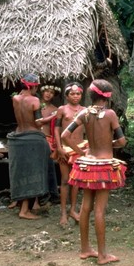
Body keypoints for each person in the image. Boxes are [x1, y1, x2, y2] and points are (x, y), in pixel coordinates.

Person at [62, 79, 126, 265]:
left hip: (87, 164)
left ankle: (84, 249)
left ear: (91, 95)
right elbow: (122, 142)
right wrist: (109, 144)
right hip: (104, 165)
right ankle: (102, 255)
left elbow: (65, 135)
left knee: (85, 207)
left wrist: (81, 152)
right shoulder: (110, 114)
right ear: (107, 97)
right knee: (99, 210)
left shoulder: (83, 113)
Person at [8, 73, 53, 220]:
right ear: (31, 86)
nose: (37, 89)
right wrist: (54, 115)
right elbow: (39, 122)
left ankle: (32, 205)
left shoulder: (15, 99)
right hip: (33, 139)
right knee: (35, 172)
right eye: (36, 87)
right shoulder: (34, 100)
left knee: (23, 172)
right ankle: (25, 210)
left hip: (18, 138)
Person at [53, 82, 87, 225]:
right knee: (65, 180)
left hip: (80, 148)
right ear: (67, 96)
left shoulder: (85, 110)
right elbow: (56, 129)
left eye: (78, 94)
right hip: (65, 149)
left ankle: (73, 210)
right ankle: (63, 213)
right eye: (72, 94)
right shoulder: (62, 109)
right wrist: (59, 147)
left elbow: (90, 129)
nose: (75, 96)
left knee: (76, 181)